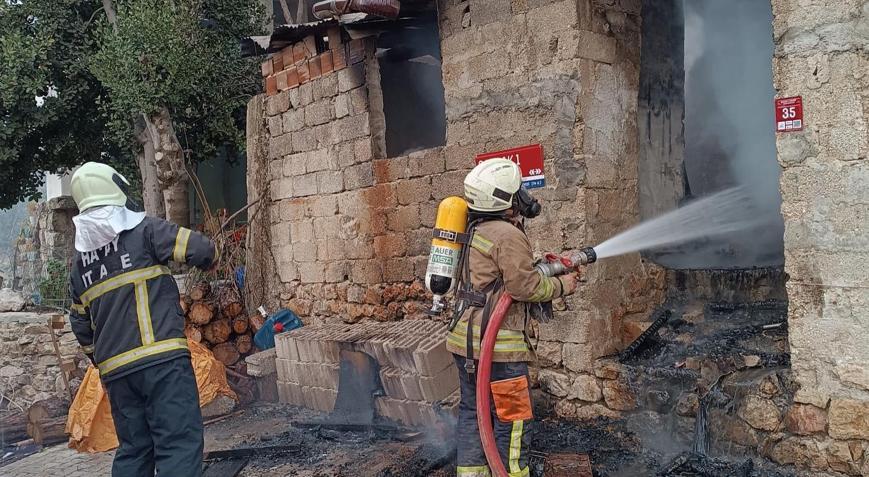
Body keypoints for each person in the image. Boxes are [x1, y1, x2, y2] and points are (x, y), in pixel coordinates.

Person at [67, 162, 218, 477]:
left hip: (117, 374)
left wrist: (101, 360)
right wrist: (211, 260)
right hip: (162, 362)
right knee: (177, 443)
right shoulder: (145, 231)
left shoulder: (79, 266)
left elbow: (81, 325)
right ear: (115, 191)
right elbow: (201, 249)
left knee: (135, 450)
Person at [447, 159, 579, 477]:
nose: (523, 196)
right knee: (513, 416)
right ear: (503, 197)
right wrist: (565, 284)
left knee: (472, 411)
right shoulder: (507, 234)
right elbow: (524, 286)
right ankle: (512, 473)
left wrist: (542, 263)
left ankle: (473, 474)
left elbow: (496, 277)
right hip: (499, 348)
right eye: (517, 190)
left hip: (464, 342)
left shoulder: (473, 229)